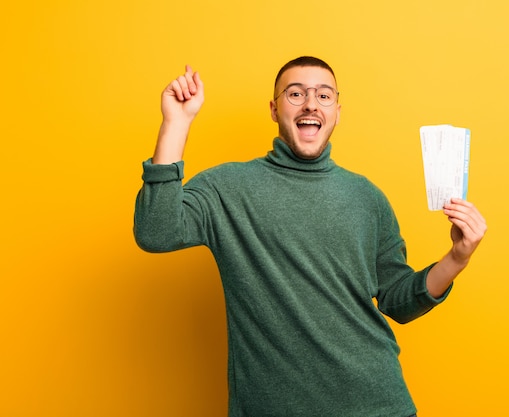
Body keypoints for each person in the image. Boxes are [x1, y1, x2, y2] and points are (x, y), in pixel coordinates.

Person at [134, 56, 487, 417]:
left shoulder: (367, 197)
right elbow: (156, 231)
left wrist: (457, 257)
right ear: (274, 109)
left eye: (323, 95)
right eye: (295, 93)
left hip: (378, 405)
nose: (310, 104)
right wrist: (176, 124)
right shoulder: (227, 188)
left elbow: (398, 301)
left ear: (337, 110)